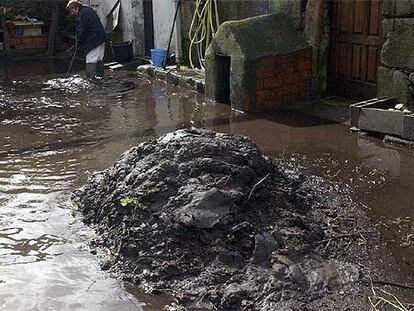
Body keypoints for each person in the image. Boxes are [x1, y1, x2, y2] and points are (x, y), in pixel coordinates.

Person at [66, 0, 106, 77]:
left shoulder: (81, 15)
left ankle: (91, 79)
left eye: (72, 11)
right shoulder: (88, 10)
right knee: (99, 59)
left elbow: (81, 31)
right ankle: (100, 77)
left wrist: (78, 43)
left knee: (90, 60)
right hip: (101, 37)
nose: (72, 13)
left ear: (76, 8)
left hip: (93, 40)